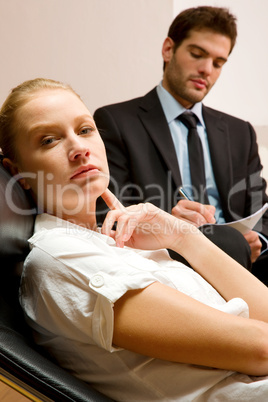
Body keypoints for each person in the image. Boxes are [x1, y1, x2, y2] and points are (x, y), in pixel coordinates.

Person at [2, 78, 268, 401]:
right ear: (17, 172)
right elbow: (260, 349)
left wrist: (181, 236)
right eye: (48, 140)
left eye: (85, 130)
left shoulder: (112, 241)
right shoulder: (59, 256)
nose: (79, 148)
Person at [93, 6, 268, 283]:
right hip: (165, 264)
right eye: (197, 55)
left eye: (218, 63)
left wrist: (258, 239)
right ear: (168, 50)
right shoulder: (116, 121)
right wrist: (171, 225)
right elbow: (109, 211)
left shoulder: (240, 132)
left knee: (234, 242)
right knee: (227, 241)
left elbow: (260, 208)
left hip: (244, 263)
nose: (206, 70)